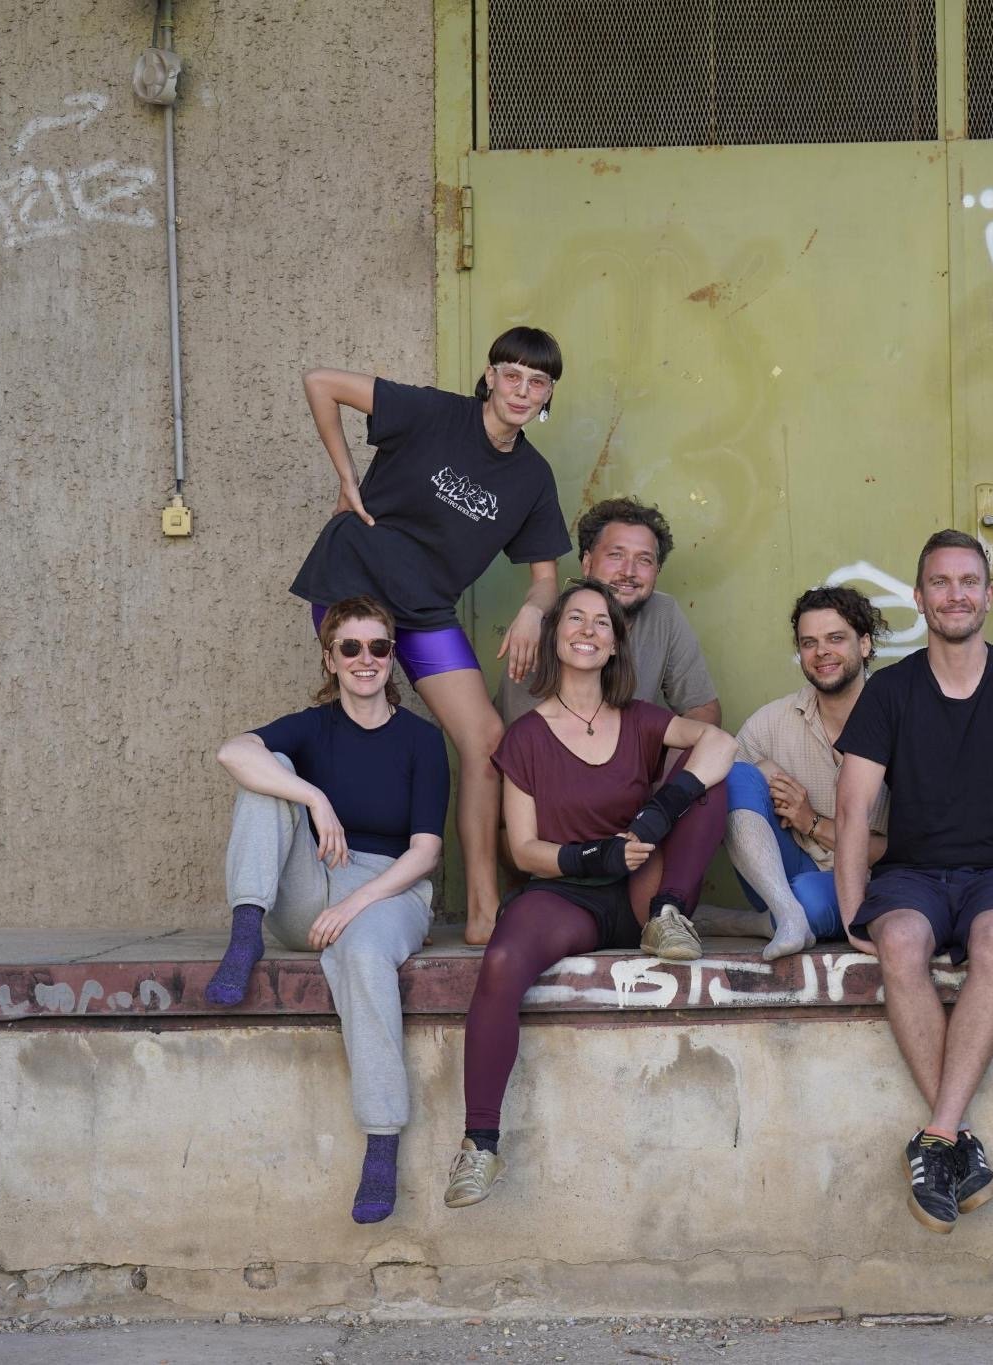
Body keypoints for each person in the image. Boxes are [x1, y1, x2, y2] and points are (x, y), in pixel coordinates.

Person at [446, 580, 737, 1208]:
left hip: (641, 888)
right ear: (555, 637)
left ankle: (669, 916)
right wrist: (590, 856)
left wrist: (658, 813)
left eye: (601, 622)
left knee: (711, 780)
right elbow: (522, 849)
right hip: (566, 894)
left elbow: (722, 743)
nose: (587, 630)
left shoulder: (642, 719)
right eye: (574, 618)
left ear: (614, 643)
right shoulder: (526, 736)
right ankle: (480, 1144)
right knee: (501, 961)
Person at [290, 327, 572, 946]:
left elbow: (547, 579)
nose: (522, 390)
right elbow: (321, 383)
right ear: (490, 377)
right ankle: (335, 885)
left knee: (486, 739)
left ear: (548, 394)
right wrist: (346, 478)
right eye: (512, 375)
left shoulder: (532, 477)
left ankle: (483, 911)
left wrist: (533, 611)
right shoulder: (433, 412)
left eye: (538, 382)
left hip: (423, 607)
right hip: (354, 581)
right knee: (366, 719)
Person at [834, 531, 993, 1234]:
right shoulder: (890, 690)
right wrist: (853, 913)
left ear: (989, 596)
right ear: (919, 598)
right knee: (900, 940)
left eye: (969, 581)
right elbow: (852, 808)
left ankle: (937, 1135)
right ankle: (955, 1138)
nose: (955, 595)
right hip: (913, 872)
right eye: (940, 583)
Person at [201, 596, 449, 1224]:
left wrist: (359, 902)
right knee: (268, 772)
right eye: (351, 647)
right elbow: (232, 752)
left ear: (391, 657)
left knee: (362, 953)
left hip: (389, 889)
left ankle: (382, 1141)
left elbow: (425, 853)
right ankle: (246, 932)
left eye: (378, 647)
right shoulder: (313, 728)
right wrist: (313, 797)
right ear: (330, 658)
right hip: (314, 884)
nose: (366, 659)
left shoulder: (422, 740)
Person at [717, 585, 891, 961]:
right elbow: (721, 796)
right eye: (809, 643)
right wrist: (761, 772)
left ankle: (755, 922)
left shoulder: (898, 718)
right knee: (735, 775)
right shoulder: (774, 720)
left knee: (810, 897)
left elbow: (895, 851)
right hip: (783, 874)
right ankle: (787, 914)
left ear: (864, 644)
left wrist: (810, 821)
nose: (821, 652)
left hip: (871, 880)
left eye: (835, 638)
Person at [497, 496, 720, 727]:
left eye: (644, 560)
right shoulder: (543, 624)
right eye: (616, 555)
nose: (628, 571)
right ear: (587, 563)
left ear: (658, 570)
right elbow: (525, 739)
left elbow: (703, 709)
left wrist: (676, 750)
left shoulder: (664, 613)